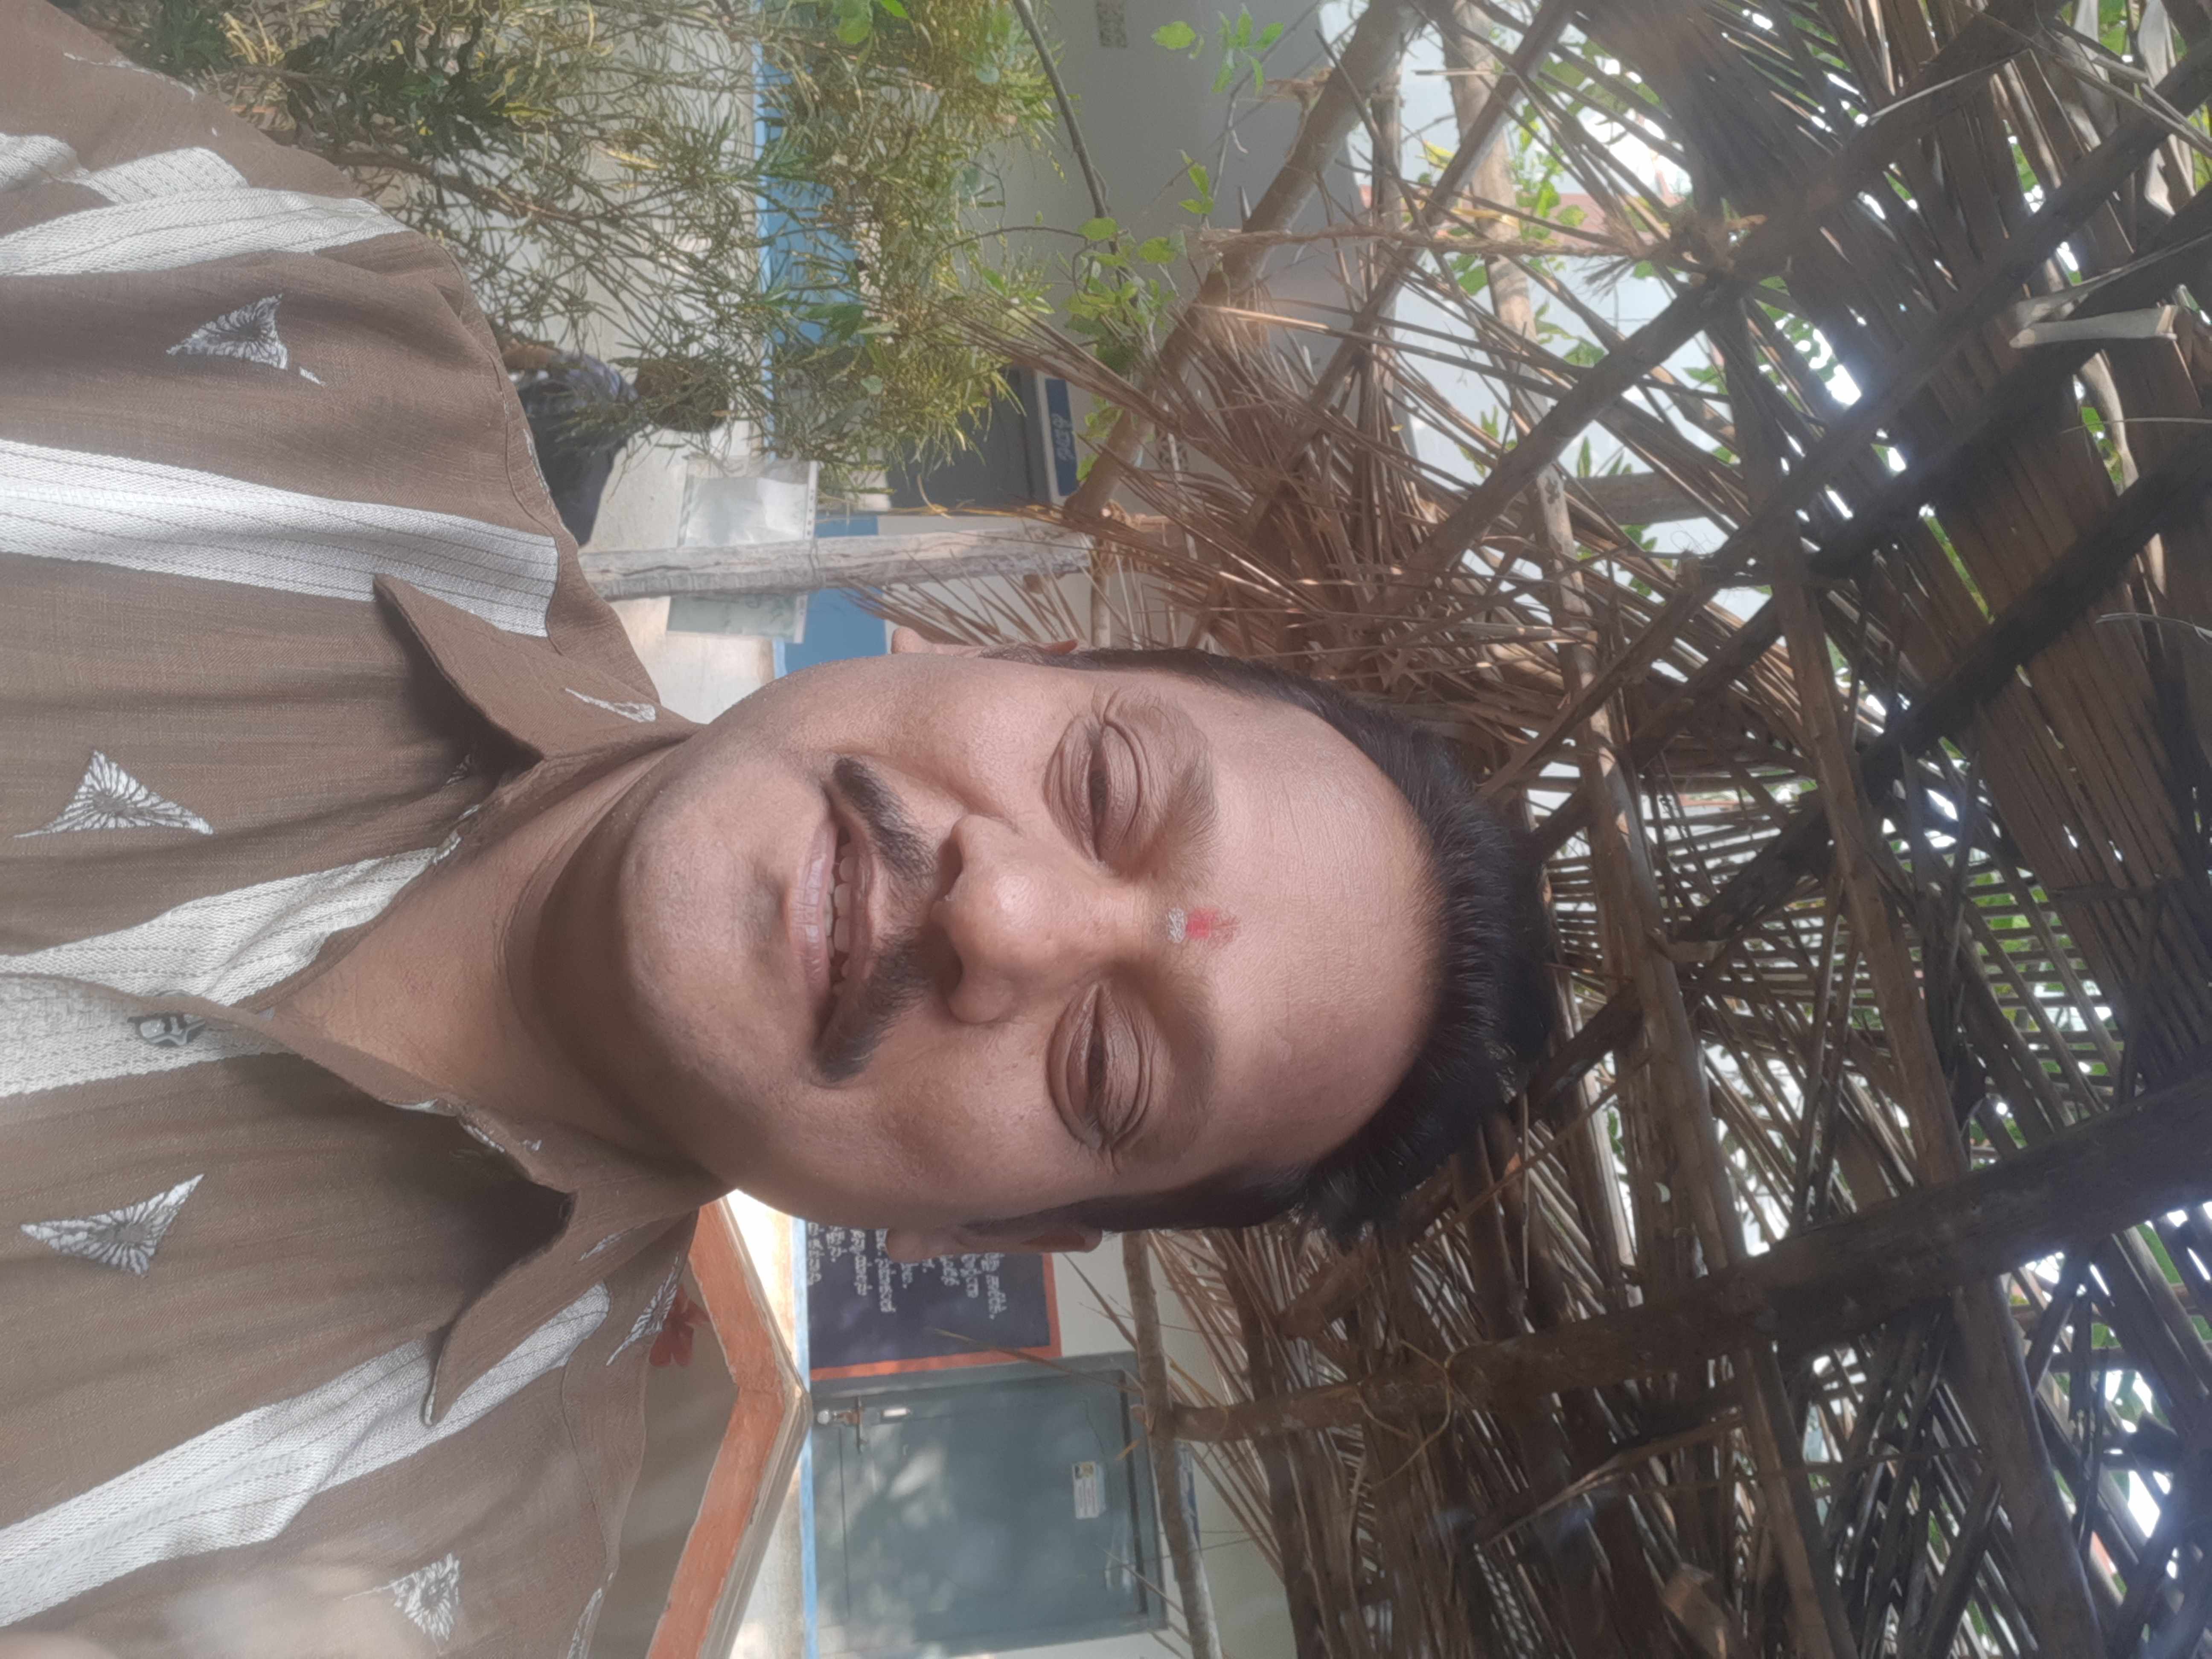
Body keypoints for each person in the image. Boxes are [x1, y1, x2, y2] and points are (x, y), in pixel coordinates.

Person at [0, 0, 1548, 1649]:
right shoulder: (317, 340)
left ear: (997, 1231)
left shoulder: (414, 1583)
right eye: (1103, 787)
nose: (1003, 917)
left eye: (1107, 1067)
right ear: (1004, 653)